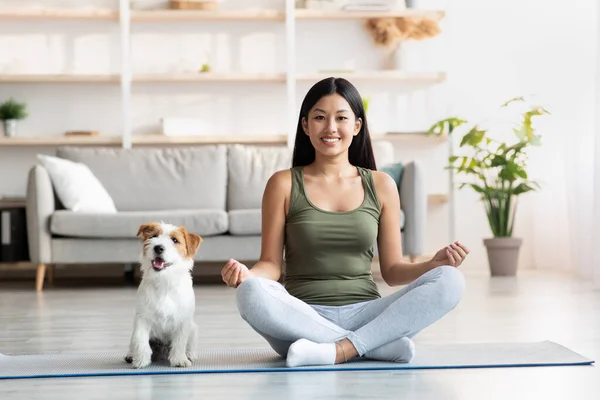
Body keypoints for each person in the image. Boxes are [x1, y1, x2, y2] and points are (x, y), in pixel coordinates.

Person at [220, 77, 468, 368]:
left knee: (451, 280)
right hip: (301, 318)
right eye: (320, 118)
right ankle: (373, 346)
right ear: (305, 125)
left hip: (368, 313)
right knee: (250, 293)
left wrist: (433, 264)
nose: (330, 128)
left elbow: (392, 271)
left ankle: (338, 350)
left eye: (341, 118)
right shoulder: (283, 184)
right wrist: (247, 275)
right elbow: (271, 266)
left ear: (357, 126)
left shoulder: (382, 185)